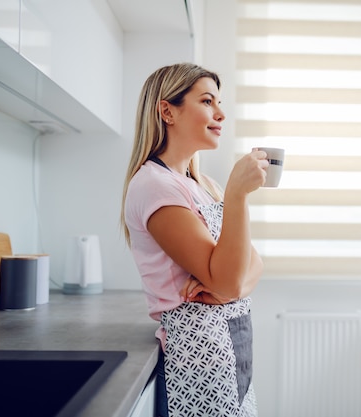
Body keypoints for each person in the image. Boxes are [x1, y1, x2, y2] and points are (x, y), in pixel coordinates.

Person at [120, 62, 267, 417]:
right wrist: (237, 195)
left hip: (232, 348)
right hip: (197, 361)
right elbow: (233, 278)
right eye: (207, 101)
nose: (220, 113)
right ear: (167, 111)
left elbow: (255, 265)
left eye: (219, 102)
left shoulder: (202, 185)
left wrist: (228, 289)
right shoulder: (155, 186)